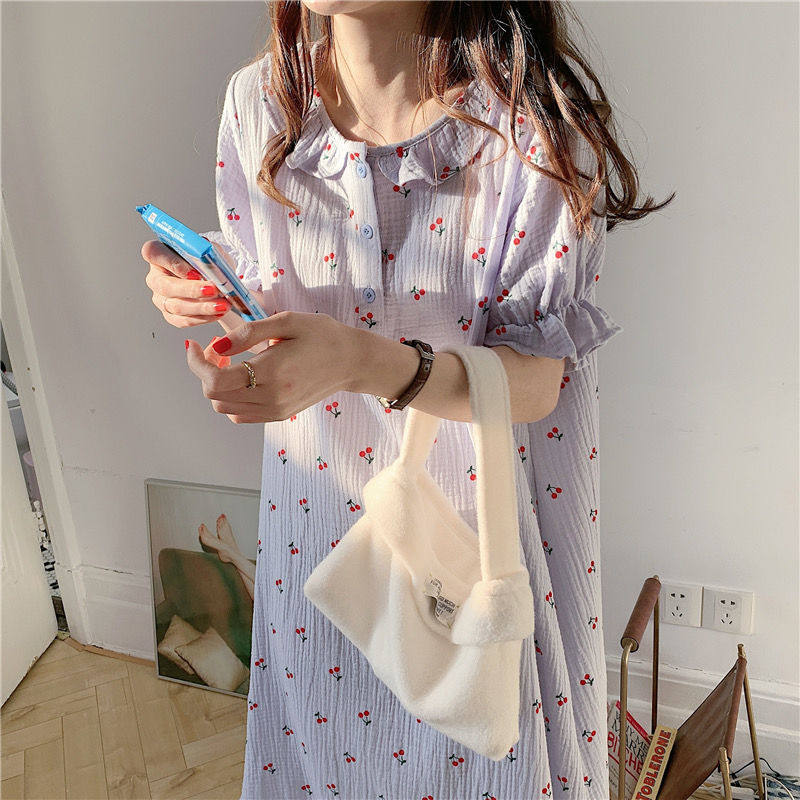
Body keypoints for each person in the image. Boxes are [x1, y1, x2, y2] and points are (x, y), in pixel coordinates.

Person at [141, 2, 673, 797]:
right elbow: (261, 283)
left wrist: (363, 362)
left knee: (479, 758)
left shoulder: (531, 128)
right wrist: (204, 294)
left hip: (467, 553)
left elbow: (536, 385)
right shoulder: (260, 104)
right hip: (315, 544)